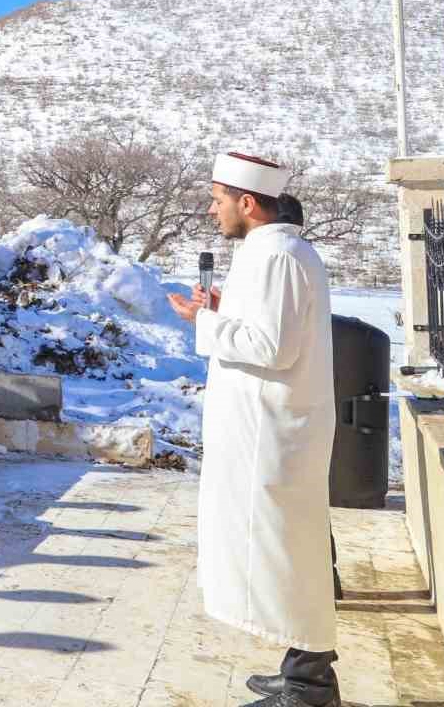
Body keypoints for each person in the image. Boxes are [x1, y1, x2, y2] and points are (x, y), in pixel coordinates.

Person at [167, 152, 339, 707]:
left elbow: (273, 347)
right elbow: (267, 327)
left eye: (218, 200)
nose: (213, 210)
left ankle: (310, 687)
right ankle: (300, 668)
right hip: (265, 430)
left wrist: (206, 321)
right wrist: (224, 309)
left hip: (274, 435)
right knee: (281, 550)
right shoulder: (269, 253)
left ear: (247, 202)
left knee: (284, 552)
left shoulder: (279, 256)